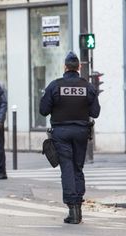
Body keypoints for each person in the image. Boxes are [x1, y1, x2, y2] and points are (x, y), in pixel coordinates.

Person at [39, 51, 100, 224]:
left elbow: (43, 110)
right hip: (81, 133)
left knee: (67, 168)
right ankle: (78, 209)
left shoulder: (55, 86)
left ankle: (72, 210)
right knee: (78, 168)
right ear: (79, 67)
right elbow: (95, 112)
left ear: (65, 67)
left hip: (61, 133)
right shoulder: (87, 87)